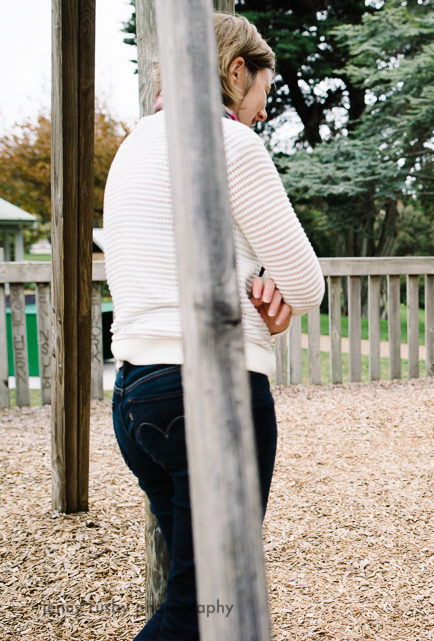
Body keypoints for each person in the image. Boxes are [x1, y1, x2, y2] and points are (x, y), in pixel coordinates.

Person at [103, 14, 325, 640]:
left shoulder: (134, 146)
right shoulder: (228, 143)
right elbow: (308, 285)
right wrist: (274, 283)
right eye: (263, 93)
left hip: (137, 395)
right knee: (204, 614)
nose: (261, 111)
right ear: (235, 73)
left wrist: (253, 274)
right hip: (211, 392)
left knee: (195, 597)